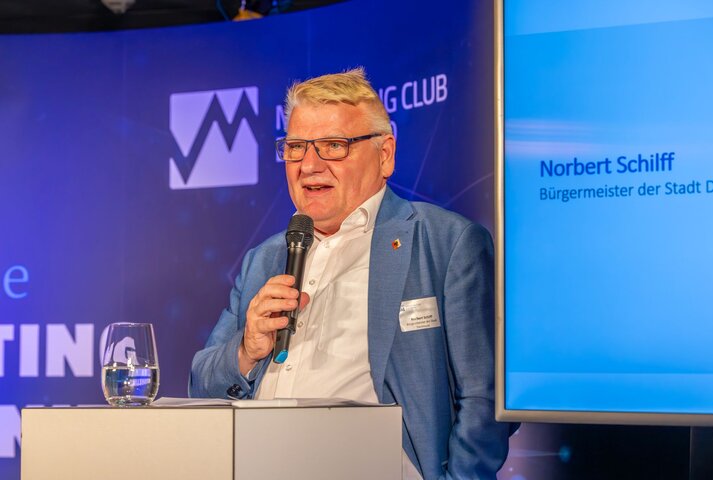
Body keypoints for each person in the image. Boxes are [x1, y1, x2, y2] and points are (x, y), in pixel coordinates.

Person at [190, 67, 512, 479]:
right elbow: (201, 385)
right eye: (296, 147)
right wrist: (246, 351)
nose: (309, 165)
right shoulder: (264, 258)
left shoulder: (446, 242)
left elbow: (485, 399)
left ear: (385, 155)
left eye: (333, 146)